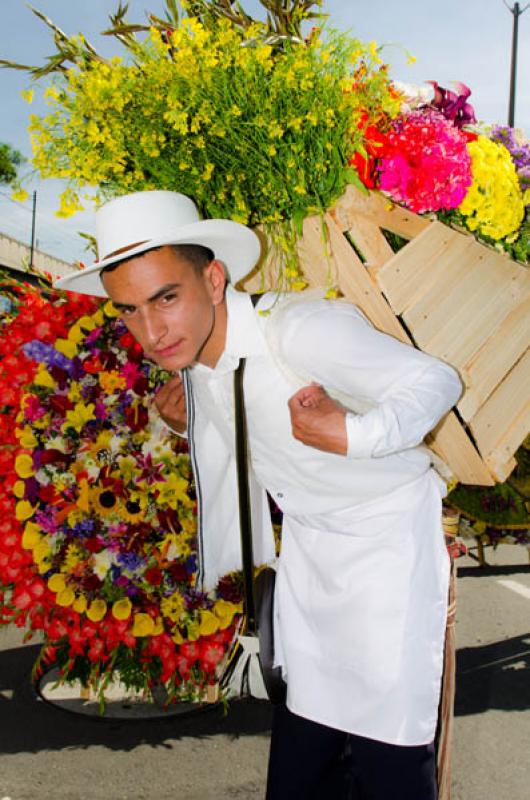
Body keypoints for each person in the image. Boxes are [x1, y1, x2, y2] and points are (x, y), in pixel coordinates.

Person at [56, 190, 463, 800]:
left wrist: (353, 433)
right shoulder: (196, 362)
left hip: (389, 561)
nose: (151, 329)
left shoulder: (299, 330)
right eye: (130, 310)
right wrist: (181, 423)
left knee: (389, 761)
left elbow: (436, 379)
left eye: (166, 297)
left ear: (214, 279)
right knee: (304, 756)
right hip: (311, 563)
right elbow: (244, 428)